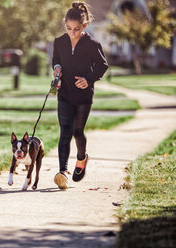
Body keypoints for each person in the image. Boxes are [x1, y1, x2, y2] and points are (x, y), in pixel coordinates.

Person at [52, 1, 108, 189]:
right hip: (65, 92)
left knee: (77, 131)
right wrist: (56, 67)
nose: (72, 33)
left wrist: (89, 79)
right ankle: (62, 172)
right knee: (65, 131)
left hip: (84, 95)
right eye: (68, 28)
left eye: (76, 29)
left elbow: (102, 66)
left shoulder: (92, 44)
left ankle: (82, 158)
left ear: (85, 26)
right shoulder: (59, 42)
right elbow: (56, 60)